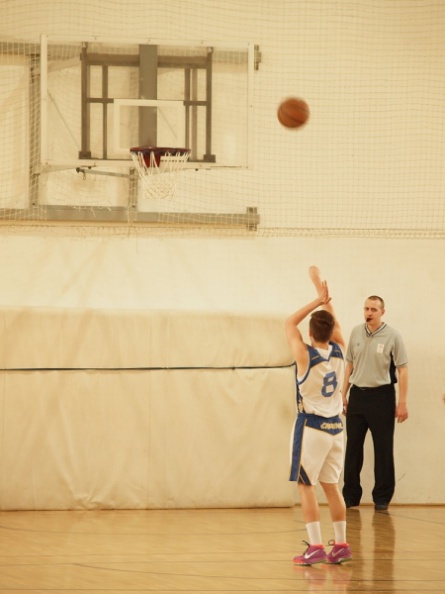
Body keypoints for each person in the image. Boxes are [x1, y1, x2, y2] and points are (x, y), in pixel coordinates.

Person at [285, 266, 352, 566]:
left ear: (310, 333)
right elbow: (334, 322)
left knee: (305, 485)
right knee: (332, 487)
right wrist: (322, 295)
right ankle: (341, 544)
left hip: (312, 427)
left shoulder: (304, 355)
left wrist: (316, 298)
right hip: (337, 428)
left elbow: (289, 322)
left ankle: (315, 546)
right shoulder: (340, 350)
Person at [341, 295, 408, 512]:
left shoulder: (393, 336)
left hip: (382, 397)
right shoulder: (355, 332)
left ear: (382, 312)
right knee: (353, 448)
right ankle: (350, 496)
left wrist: (402, 402)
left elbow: (403, 369)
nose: (369, 313)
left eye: (373, 309)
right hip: (357, 396)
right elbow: (349, 364)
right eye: (366, 309)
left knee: (383, 449)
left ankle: (382, 498)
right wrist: (343, 393)